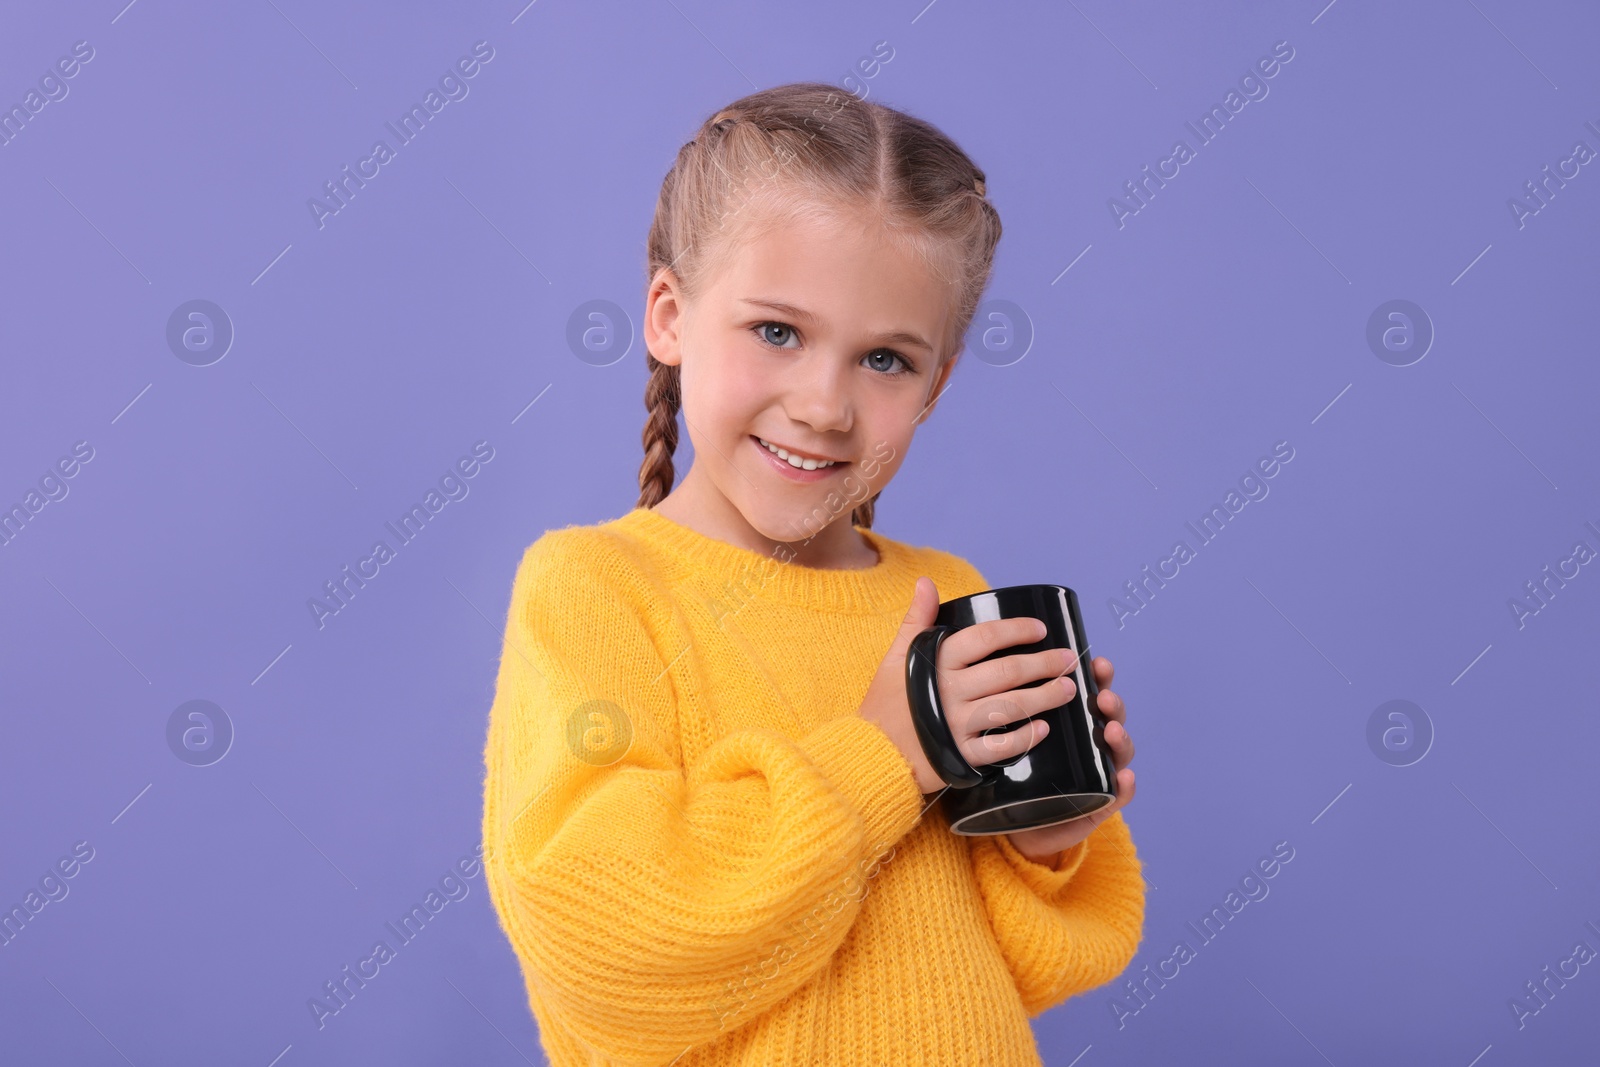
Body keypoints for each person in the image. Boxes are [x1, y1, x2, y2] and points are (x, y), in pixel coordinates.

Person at [480, 81, 1144, 1066]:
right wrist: (888, 752)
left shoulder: (946, 593)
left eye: (884, 359)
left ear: (937, 384)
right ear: (668, 315)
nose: (824, 405)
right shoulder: (596, 586)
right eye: (777, 332)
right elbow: (602, 943)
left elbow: (1020, 966)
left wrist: (1044, 835)